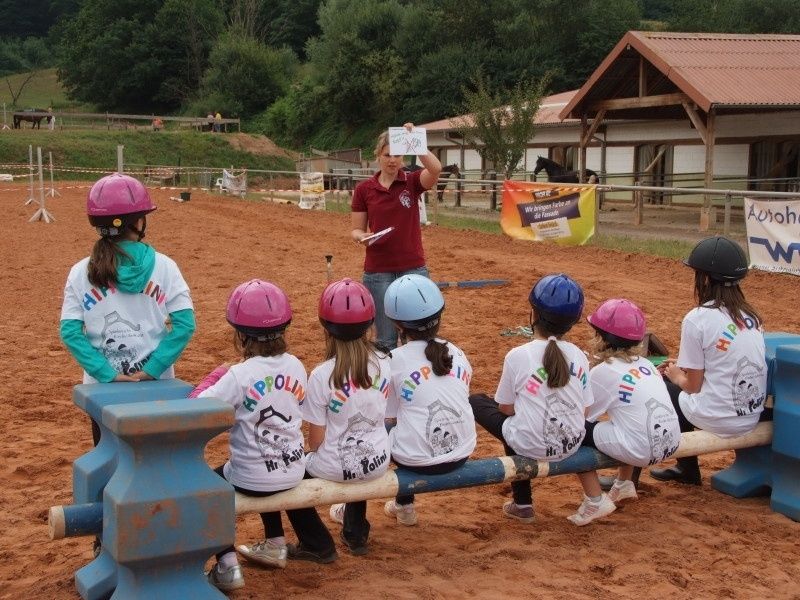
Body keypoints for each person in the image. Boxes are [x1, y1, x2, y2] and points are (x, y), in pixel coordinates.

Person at [191, 279, 337, 592]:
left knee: (205, 489)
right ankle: (274, 542)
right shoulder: (297, 365)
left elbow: (196, 407)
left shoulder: (238, 375)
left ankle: (227, 565)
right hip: (294, 469)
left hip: (252, 478)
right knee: (265, 458)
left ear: (241, 334)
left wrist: (217, 374)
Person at [60, 173, 196, 447]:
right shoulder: (165, 266)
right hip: (156, 384)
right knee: (155, 456)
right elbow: (185, 325)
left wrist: (105, 372)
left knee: (107, 453)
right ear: (138, 221)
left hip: (102, 387)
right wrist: (154, 367)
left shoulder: (80, 272)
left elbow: (70, 331)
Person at [469, 274, 616, 526]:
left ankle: (523, 503)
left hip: (530, 443)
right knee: (521, 419)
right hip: (571, 443)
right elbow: (585, 408)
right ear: (572, 323)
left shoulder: (518, 355)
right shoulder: (579, 356)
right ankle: (533, 502)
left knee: (480, 403)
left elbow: (504, 408)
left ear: (534, 314)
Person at [650, 236, 767, 485]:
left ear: (704, 278)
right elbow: (724, 359)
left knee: (662, 387)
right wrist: (684, 364)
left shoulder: (698, 318)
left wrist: (675, 374)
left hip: (718, 418)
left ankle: (632, 478)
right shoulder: (752, 316)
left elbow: (693, 386)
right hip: (751, 416)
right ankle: (684, 469)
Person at [303, 278, 391, 556]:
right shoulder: (386, 362)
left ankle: (315, 541)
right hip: (379, 462)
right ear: (370, 325)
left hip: (334, 464)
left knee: (286, 471)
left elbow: (315, 442)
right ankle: (355, 533)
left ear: (325, 328)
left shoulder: (321, 374)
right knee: (361, 445)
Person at [383, 274, 475, 525]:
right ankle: (403, 505)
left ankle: (354, 511)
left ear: (398, 326)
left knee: (377, 427)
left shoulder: (394, 360)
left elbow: (388, 417)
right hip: (463, 451)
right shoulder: (457, 352)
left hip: (416, 460)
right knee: (413, 418)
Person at [351, 123, 442, 351]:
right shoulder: (364, 190)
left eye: (398, 155)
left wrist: (416, 141)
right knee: (385, 340)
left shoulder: (411, 182)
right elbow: (356, 229)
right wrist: (361, 237)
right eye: (387, 155)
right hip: (378, 271)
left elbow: (436, 169)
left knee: (418, 337)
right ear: (378, 156)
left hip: (413, 268)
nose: (392, 160)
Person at [583, 299, 680, 504]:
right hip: (670, 444)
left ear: (602, 337)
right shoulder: (647, 364)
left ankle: (594, 500)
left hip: (642, 450)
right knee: (624, 419)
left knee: (577, 429)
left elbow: (584, 417)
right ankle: (623, 484)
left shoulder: (603, 370)